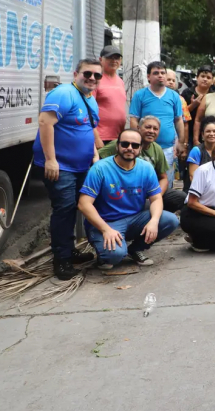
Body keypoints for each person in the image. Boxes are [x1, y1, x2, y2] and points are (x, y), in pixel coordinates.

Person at [33, 58, 101, 280]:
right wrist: (51, 159)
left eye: (96, 75)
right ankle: (61, 259)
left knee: (75, 208)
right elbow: (45, 122)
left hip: (81, 165)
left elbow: (87, 129)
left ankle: (69, 250)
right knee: (64, 209)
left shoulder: (89, 98)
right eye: (87, 73)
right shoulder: (64, 93)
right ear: (76, 74)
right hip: (61, 166)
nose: (92, 78)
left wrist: (94, 154)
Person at [79, 129, 180, 268]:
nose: (130, 148)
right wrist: (105, 229)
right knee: (114, 256)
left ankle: (136, 249)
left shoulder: (146, 168)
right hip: (107, 222)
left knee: (170, 220)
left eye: (135, 145)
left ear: (140, 148)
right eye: (125, 144)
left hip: (135, 219)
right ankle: (106, 254)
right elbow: (84, 204)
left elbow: (156, 199)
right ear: (117, 146)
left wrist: (154, 221)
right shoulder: (100, 169)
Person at [98, 115, 186, 213]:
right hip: (123, 190)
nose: (151, 131)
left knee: (180, 197)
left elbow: (163, 178)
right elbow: (97, 159)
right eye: (148, 127)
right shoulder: (123, 144)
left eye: (155, 129)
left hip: (147, 192)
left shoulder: (157, 149)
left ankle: (152, 216)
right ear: (138, 128)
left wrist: (156, 196)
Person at [129, 61, 186, 186]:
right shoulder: (140, 95)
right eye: (156, 73)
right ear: (148, 76)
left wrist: (181, 142)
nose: (160, 75)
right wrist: (136, 141)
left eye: (162, 73)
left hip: (167, 148)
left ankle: (162, 204)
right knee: (142, 180)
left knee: (166, 181)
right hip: (145, 149)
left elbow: (179, 120)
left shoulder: (174, 96)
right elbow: (134, 120)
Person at [93, 45, 125, 148]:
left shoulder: (120, 81)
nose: (114, 60)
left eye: (117, 58)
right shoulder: (95, 80)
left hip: (118, 137)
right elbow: (88, 111)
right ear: (100, 60)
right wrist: (96, 137)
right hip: (101, 138)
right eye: (110, 57)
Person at [182, 65, 215, 147]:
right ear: (197, 77)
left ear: (212, 81)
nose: (205, 79)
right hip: (188, 132)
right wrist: (192, 105)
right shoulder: (187, 93)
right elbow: (179, 113)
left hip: (209, 133)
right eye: (202, 76)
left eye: (208, 77)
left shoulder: (214, 95)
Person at [187, 118, 215, 184]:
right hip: (198, 189)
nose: (211, 134)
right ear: (202, 135)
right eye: (208, 131)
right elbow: (192, 176)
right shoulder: (196, 150)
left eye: (214, 131)